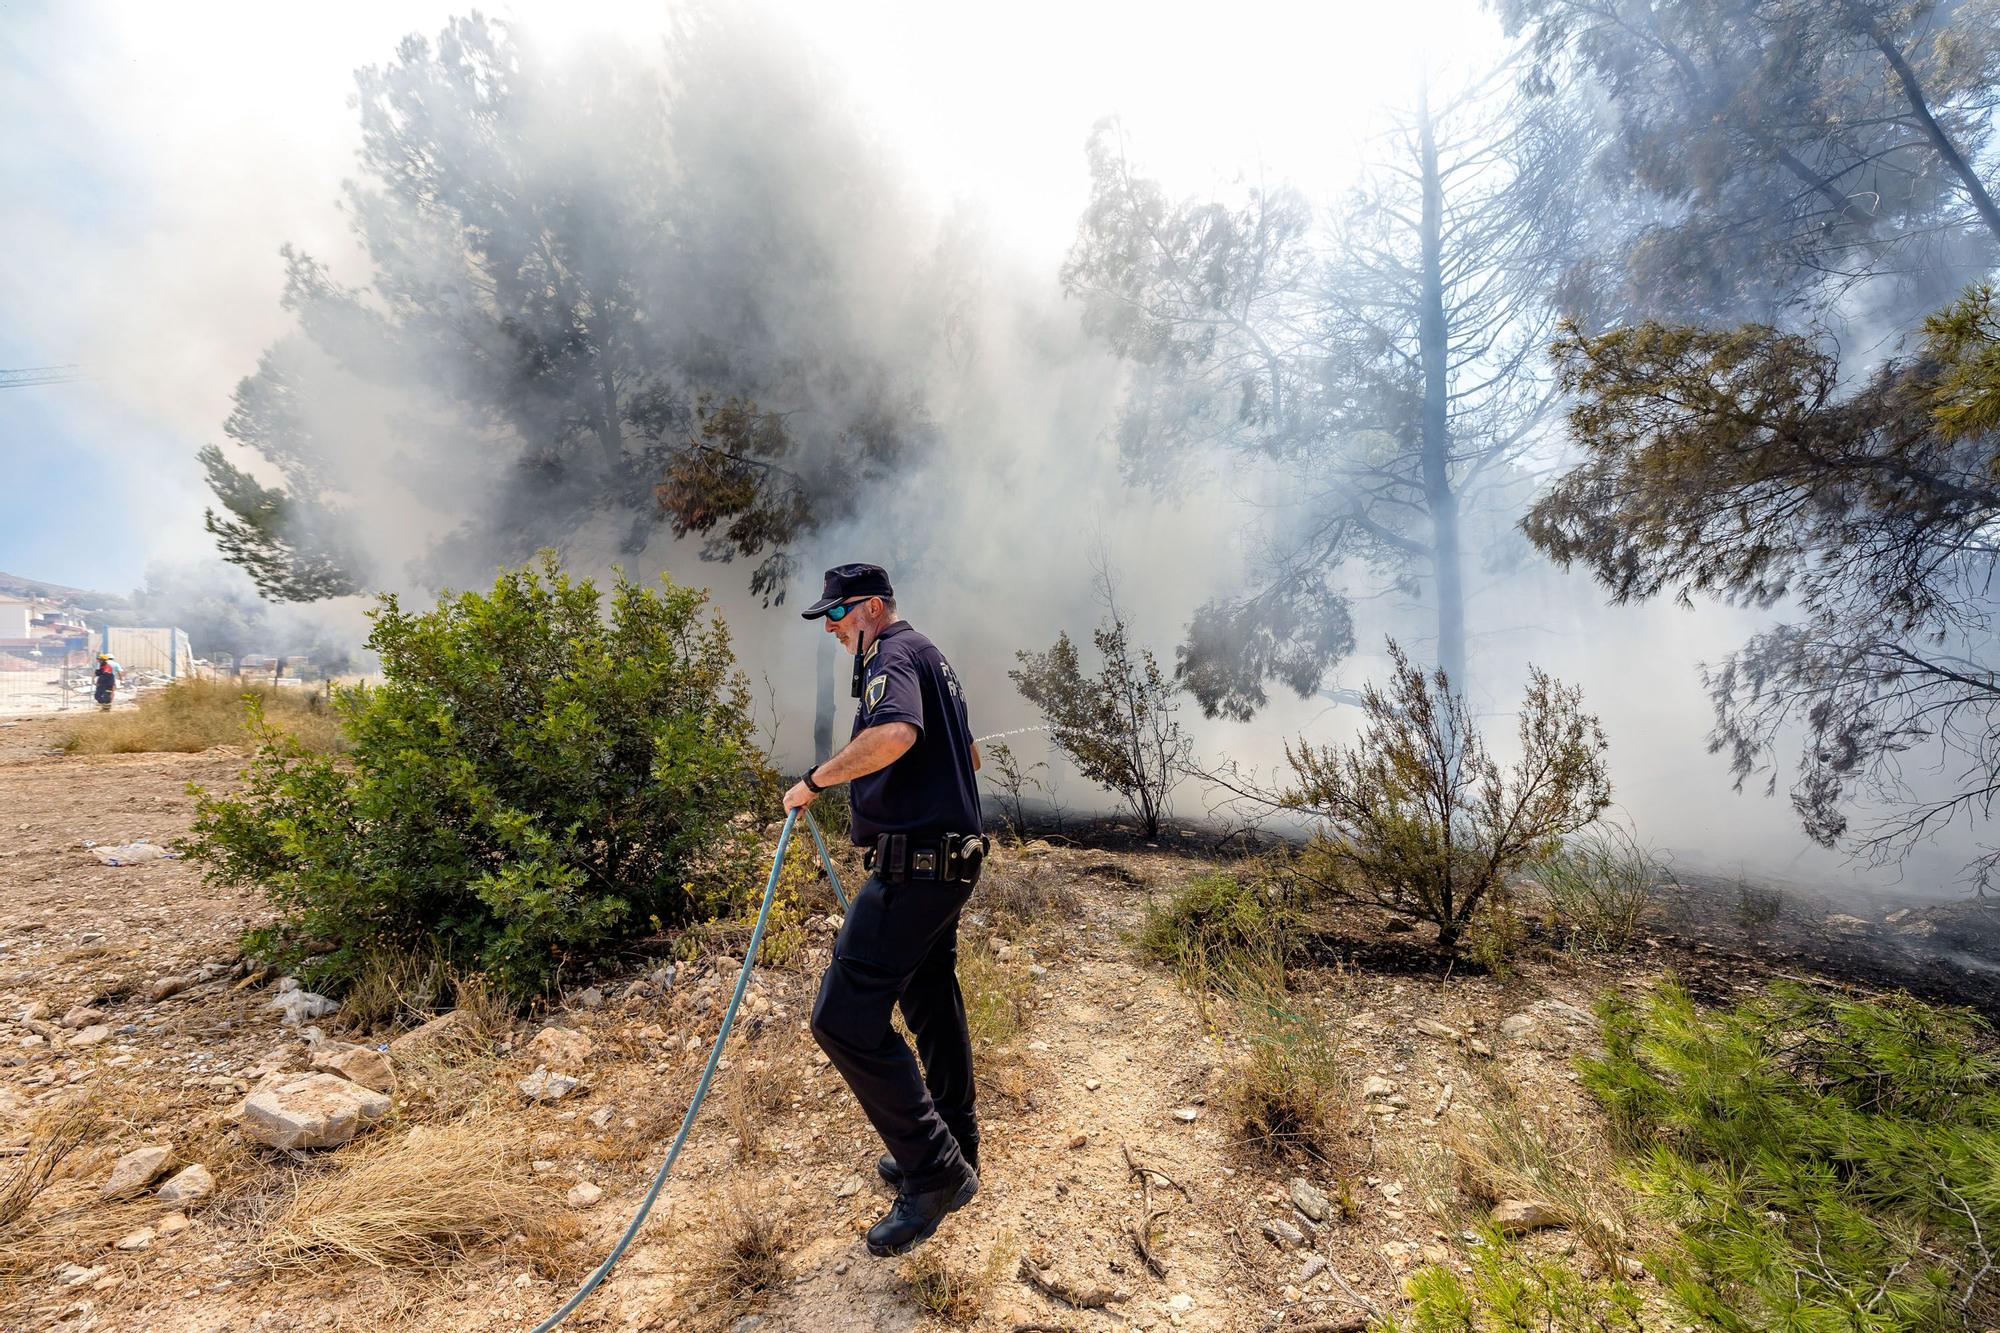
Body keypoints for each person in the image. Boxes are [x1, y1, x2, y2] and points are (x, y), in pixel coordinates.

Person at [784, 563, 989, 1258]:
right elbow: (968, 757)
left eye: (839, 612)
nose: (832, 626)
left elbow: (898, 733)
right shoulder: (929, 655)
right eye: (827, 617)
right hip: (947, 864)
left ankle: (934, 1173)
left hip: (916, 870)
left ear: (873, 606)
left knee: (841, 1017)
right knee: (931, 997)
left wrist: (815, 780)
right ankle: (955, 1147)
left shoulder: (893, 655)